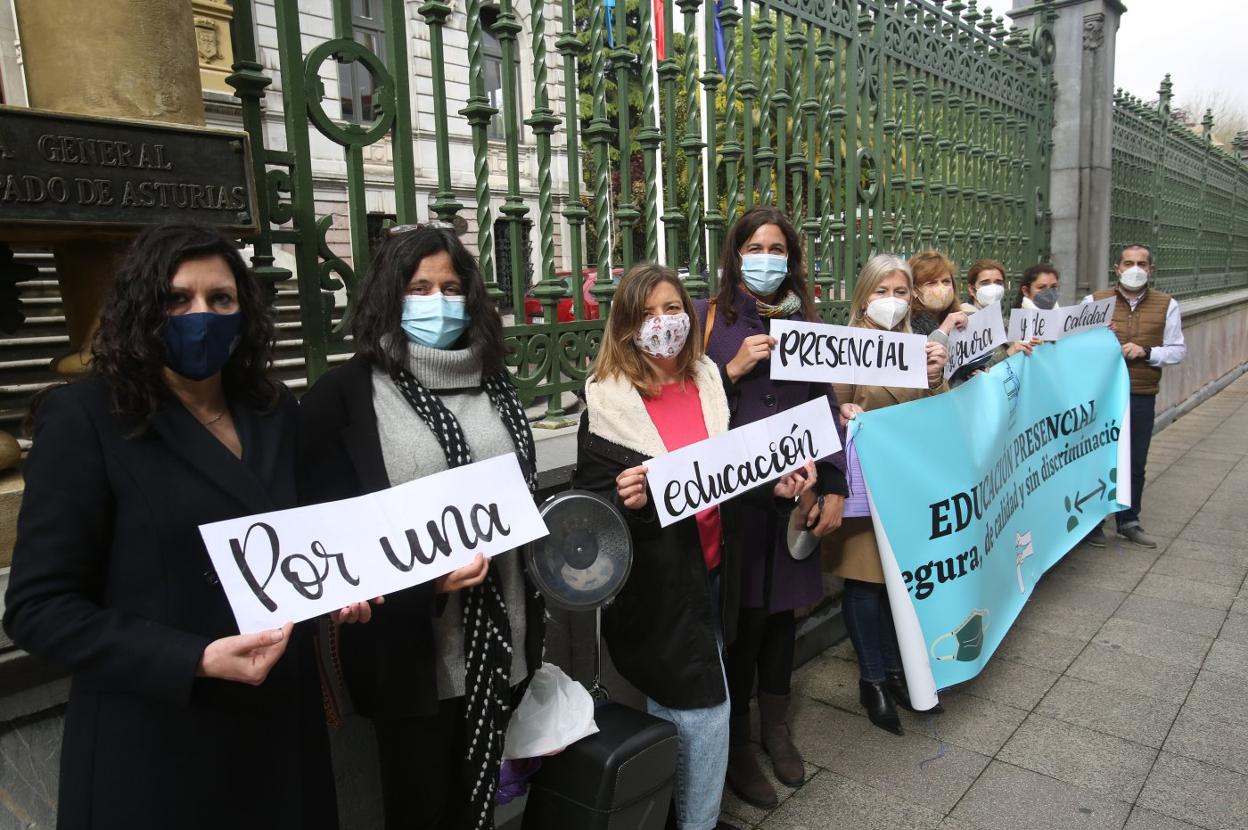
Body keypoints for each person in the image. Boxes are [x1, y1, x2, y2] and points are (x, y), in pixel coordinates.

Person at [2, 223, 340, 830]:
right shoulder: (84, 418)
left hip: (278, 737)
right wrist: (192, 659)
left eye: (220, 299)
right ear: (141, 308)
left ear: (245, 310)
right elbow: (37, 607)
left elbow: (302, 546)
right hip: (158, 747)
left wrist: (342, 591)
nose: (200, 315)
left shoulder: (273, 409)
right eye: (177, 299)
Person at [297, 224, 544, 830]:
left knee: (483, 807)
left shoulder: (498, 386)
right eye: (420, 287)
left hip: (500, 642)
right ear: (389, 294)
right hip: (412, 660)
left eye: (451, 286)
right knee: (422, 810)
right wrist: (425, 579)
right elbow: (330, 541)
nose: (438, 301)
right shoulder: (344, 398)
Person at [573, 263, 816, 830]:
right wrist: (622, 496)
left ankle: (674, 812)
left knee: (681, 707)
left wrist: (776, 485)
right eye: (648, 313)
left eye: (672, 308)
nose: (663, 323)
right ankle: (698, 820)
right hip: (660, 589)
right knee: (705, 711)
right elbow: (589, 512)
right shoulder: (607, 404)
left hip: (713, 573)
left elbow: (726, 478)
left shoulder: (708, 381)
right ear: (627, 326)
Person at [695, 207, 848, 809]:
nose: (766, 257)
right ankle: (734, 747)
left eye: (777, 248)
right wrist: (732, 370)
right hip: (736, 501)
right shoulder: (709, 319)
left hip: (796, 495)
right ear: (736, 253)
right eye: (755, 246)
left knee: (783, 618)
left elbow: (827, 404)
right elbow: (691, 402)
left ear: (792, 257)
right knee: (742, 622)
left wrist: (832, 484)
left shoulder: (807, 320)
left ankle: (776, 729)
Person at [822, 254, 949, 735]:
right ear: (862, 297)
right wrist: (842, 411)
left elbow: (939, 418)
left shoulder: (918, 348)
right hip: (862, 488)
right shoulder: (842, 346)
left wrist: (937, 379)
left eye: (900, 292)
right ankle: (872, 679)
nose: (891, 302)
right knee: (866, 585)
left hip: (908, 487)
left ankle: (901, 672)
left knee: (905, 584)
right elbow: (824, 409)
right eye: (881, 292)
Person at [1082, 243, 1186, 549]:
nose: (1135, 269)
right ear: (1117, 268)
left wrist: (1147, 351)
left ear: (1151, 269)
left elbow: (1178, 349)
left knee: (1135, 460)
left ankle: (1129, 520)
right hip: (1101, 393)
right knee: (1098, 455)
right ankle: (1093, 523)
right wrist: (1102, 339)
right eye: (1128, 263)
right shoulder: (1095, 301)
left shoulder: (1167, 304)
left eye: (1141, 263)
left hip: (1140, 392)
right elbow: (1075, 343)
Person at [908, 249, 969, 346]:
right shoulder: (908, 325)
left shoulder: (961, 318)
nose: (941, 288)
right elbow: (920, 357)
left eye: (946, 281)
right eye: (931, 283)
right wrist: (943, 330)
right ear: (914, 290)